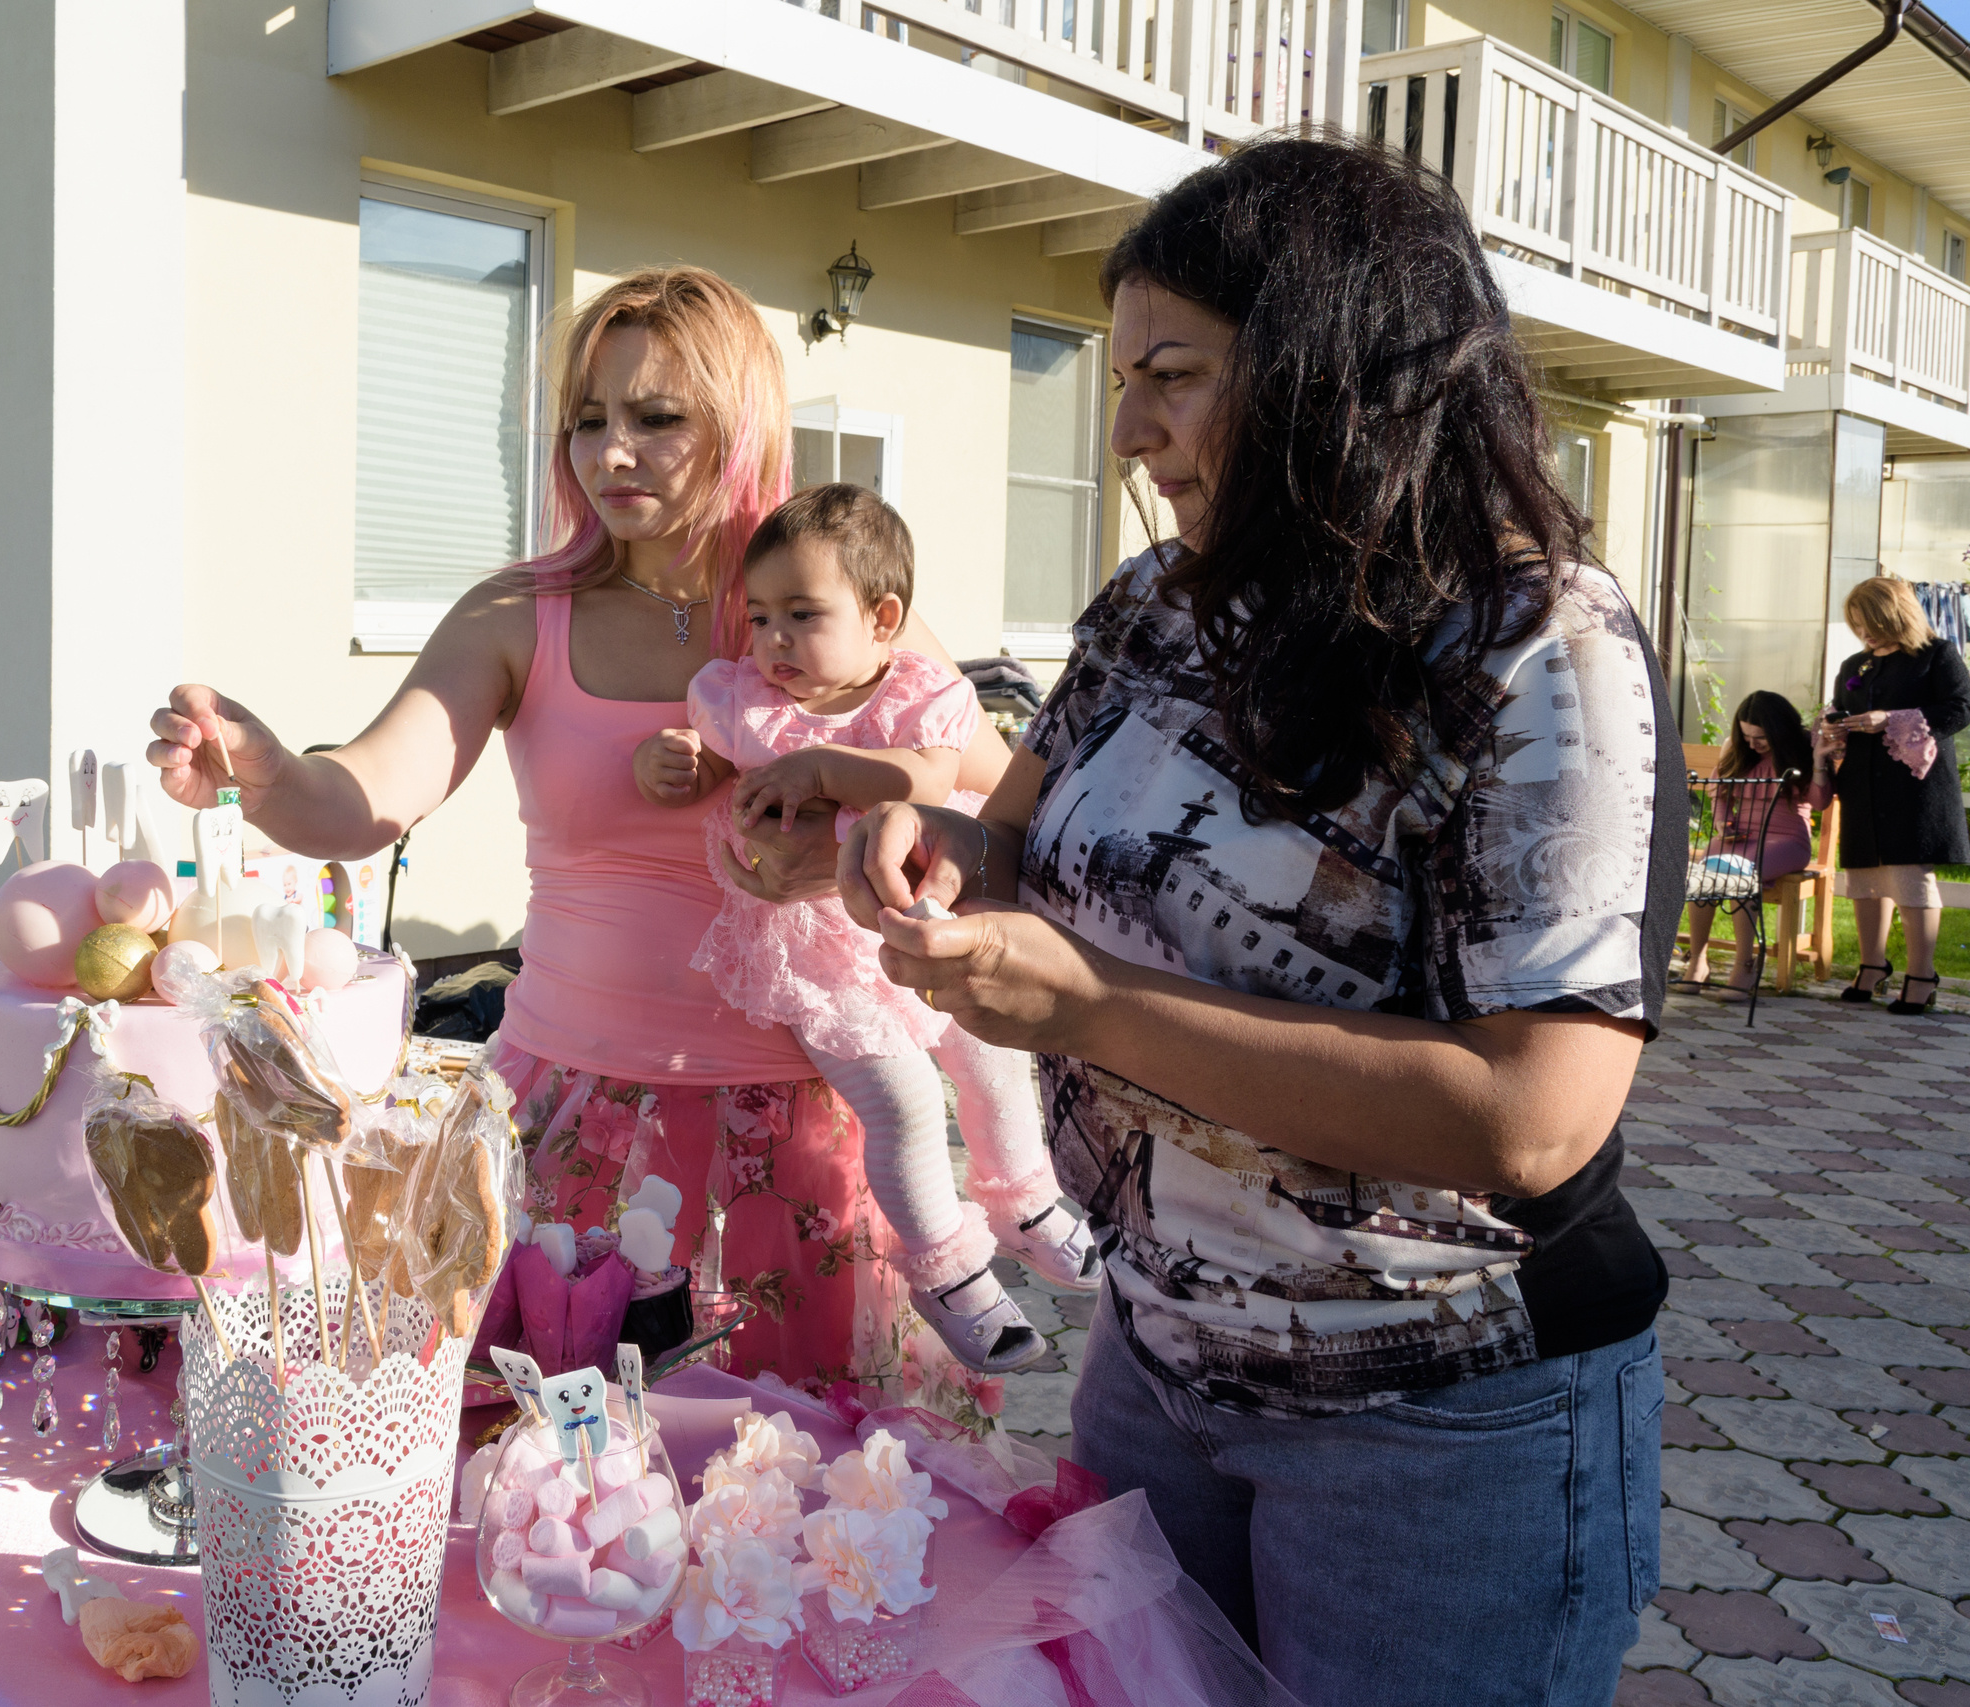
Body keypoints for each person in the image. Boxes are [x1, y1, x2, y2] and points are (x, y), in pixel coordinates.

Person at [839, 135, 1684, 1707]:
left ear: (1333, 372)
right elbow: (1011, 832)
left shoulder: (1532, 642)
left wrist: (1089, 1004)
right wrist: (929, 849)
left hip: (1437, 1417)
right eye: (1123, 380)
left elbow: (1534, 1114)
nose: (1126, 430)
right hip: (1157, 1351)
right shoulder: (1158, 602)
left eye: (1172, 376)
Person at [146, 266, 1013, 1394]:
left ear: (739, 426)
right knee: (552, 1460)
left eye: (656, 418)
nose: (612, 453)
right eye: (589, 421)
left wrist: (880, 831)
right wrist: (268, 773)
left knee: (791, 1468)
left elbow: (1006, 809)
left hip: (800, 1124)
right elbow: (365, 797)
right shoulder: (519, 612)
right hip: (572, 1117)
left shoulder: (834, 611)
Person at [634, 482, 1097, 1374]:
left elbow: (926, 781)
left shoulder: (918, 694)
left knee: (992, 1052)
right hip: (817, 956)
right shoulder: (742, 702)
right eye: (760, 617)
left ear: (883, 618)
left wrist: (819, 766)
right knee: (904, 1100)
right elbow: (717, 775)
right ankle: (949, 1273)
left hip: (922, 922)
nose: (773, 640)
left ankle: (1024, 1199)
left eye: (802, 615)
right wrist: (673, 764)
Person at [1820, 577, 1968, 1017]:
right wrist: (1833, 723)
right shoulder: (1855, 664)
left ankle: (1922, 975)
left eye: (1872, 622)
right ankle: (1872, 965)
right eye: (1857, 623)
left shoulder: (1937, 655)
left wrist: (1892, 719)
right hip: (1862, 784)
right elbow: (1839, 707)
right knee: (1863, 878)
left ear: (1897, 615)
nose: (1864, 632)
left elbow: (1961, 708)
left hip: (1915, 789)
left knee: (1909, 877)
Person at [1679, 689, 1828, 993]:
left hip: (1787, 839)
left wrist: (1819, 761)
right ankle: (1698, 961)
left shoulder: (1804, 747)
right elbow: (1720, 792)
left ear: (1779, 730)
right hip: (1739, 836)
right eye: (1746, 736)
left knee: (1740, 873)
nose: (1752, 744)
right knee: (1705, 874)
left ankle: (1745, 964)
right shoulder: (1738, 749)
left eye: (1760, 738)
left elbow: (1820, 802)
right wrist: (1722, 822)